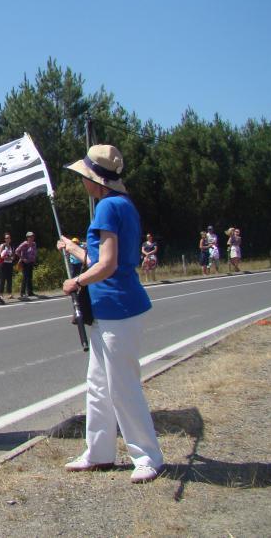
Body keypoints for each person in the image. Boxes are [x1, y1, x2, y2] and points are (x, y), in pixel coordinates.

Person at [55, 144, 164, 484]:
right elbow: (106, 258)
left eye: (84, 176)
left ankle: (148, 457)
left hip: (118, 307)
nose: (81, 182)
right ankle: (98, 452)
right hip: (112, 307)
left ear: (96, 179)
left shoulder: (106, 208)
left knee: (122, 386)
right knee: (99, 385)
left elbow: (108, 265)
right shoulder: (122, 205)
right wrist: (74, 249)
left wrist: (76, 280)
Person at [15, 231, 38, 298]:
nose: (32, 238)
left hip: (31, 262)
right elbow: (17, 251)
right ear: (27, 237)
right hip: (25, 262)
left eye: (32, 236)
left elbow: (34, 252)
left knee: (30, 277)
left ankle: (30, 292)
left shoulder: (34, 244)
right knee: (25, 277)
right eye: (30, 237)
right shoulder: (24, 244)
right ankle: (22, 292)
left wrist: (34, 259)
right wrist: (22, 258)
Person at [0, 233, 15, 298]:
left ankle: (9, 293)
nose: (7, 239)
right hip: (2, 264)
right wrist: (7, 257)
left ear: (10, 239)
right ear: (4, 239)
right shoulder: (2, 246)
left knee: (9, 279)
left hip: (9, 264)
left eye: (9, 238)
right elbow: (0, 255)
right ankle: (0, 294)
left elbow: (13, 256)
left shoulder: (11, 247)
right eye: (6, 238)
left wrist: (9, 257)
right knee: (2, 279)